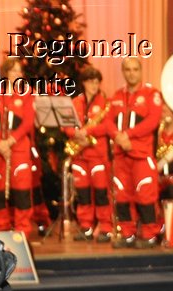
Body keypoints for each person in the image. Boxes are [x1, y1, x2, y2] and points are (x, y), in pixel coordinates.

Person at [84, 56, 163, 247]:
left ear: (141, 71)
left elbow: (153, 121)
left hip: (142, 155)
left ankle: (150, 234)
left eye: (135, 69)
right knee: (121, 196)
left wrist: (128, 135)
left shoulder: (152, 94)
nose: (132, 73)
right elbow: (108, 121)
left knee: (145, 195)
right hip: (120, 156)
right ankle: (127, 234)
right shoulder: (116, 96)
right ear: (123, 72)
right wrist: (118, 137)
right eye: (128, 70)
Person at [0, 57, 42, 234]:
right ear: (6, 73)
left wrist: (10, 141)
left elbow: (28, 122)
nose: (17, 74)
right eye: (14, 70)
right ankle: (1, 228)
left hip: (19, 149)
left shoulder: (27, 93)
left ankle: (22, 231)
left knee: (21, 192)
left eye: (20, 71)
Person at [67, 65, 113, 241]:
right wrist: (74, 133)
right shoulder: (75, 102)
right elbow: (66, 124)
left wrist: (89, 132)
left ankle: (105, 228)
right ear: (84, 83)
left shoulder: (105, 103)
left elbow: (108, 126)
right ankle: (85, 226)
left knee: (101, 193)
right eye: (91, 82)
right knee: (83, 193)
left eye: (97, 82)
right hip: (79, 155)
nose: (94, 85)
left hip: (98, 155)